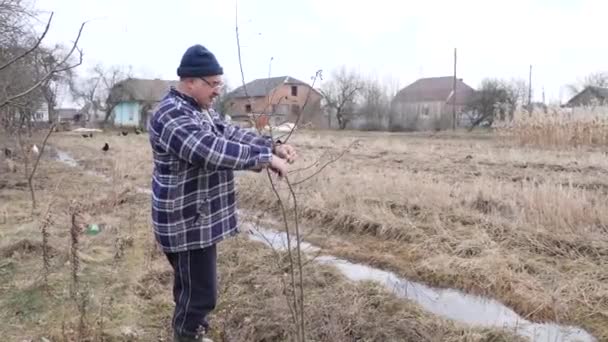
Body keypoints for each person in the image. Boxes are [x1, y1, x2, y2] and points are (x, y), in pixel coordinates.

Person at [148, 44, 297, 342]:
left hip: (198, 219)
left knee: (192, 290)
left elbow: (229, 134)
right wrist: (264, 159)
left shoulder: (200, 110)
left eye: (220, 83)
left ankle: (194, 331)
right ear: (191, 81)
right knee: (200, 295)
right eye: (213, 84)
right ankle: (188, 336)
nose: (218, 90)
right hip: (186, 222)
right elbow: (209, 150)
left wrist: (272, 145)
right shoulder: (171, 114)